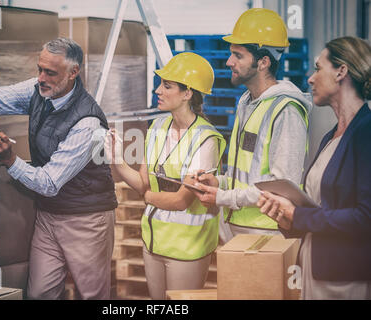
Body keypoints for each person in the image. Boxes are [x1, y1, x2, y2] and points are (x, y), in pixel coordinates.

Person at [0, 38, 118, 300]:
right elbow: (1, 95)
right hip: (48, 215)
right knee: (40, 293)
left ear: (73, 72)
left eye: (50, 72)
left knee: (92, 295)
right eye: (39, 69)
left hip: (86, 219)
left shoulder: (87, 123)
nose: (41, 77)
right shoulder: (39, 90)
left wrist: (11, 160)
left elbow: (49, 183)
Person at [257, 36, 371, 300]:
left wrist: (299, 216)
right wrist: (287, 218)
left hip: (346, 282)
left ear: (341, 71)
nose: (310, 78)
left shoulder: (366, 133)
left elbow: (365, 217)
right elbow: (324, 209)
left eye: (318, 68)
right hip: (314, 269)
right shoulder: (331, 137)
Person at [106, 52, 226, 299]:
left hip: (189, 247)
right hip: (153, 241)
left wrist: (148, 197)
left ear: (187, 93)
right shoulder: (158, 127)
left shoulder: (206, 140)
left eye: (167, 86)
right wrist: (117, 160)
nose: (158, 91)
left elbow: (183, 200)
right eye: (160, 84)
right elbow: (142, 182)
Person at [191, 8, 312, 243]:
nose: (229, 62)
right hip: (238, 227)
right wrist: (219, 183)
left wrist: (223, 197)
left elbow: (280, 187)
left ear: (263, 62)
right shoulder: (247, 103)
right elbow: (247, 173)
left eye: (238, 55)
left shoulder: (286, 110)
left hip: (268, 231)